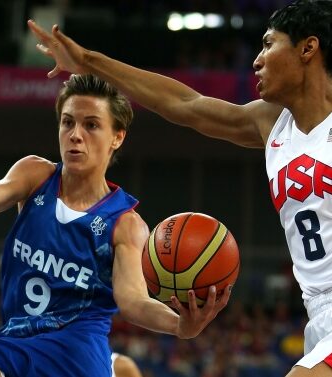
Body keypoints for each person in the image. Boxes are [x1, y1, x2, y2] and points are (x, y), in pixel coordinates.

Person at [26, 0, 332, 376]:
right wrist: (89, 61)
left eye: (269, 44)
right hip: (317, 314)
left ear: (308, 48)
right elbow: (184, 104)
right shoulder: (271, 124)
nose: (257, 59)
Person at [0, 74, 231, 377]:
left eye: (91, 125)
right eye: (68, 122)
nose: (75, 134)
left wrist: (179, 326)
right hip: (15, 343)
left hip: (72, 356)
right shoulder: (35, 174)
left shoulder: (124, 223)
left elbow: (133, 302)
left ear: (117, 137)